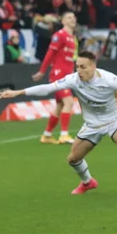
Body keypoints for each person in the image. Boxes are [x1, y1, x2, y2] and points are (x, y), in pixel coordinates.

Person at [0, 51, 117, 197]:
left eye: (83, 67)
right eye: (77, 66)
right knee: (72, 159)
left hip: (115, 120)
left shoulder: (110, 79)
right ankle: (88, 182)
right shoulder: (74, 79)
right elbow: (49, 87)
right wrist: (18, 93)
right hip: (92, 125)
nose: (79, 70)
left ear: (93, 67)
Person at [33, 11, 78, 144]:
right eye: (69, 17)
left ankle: (47, 135)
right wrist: (42, 71)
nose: (72, 20)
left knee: (60, 105)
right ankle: (64, 134)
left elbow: (70, 60)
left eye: (73, 17)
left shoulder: (72, 38)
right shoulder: (60, 35)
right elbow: (49, 54)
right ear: (63, 21)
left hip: (67, 75)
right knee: (69, 102)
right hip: (59, 75)